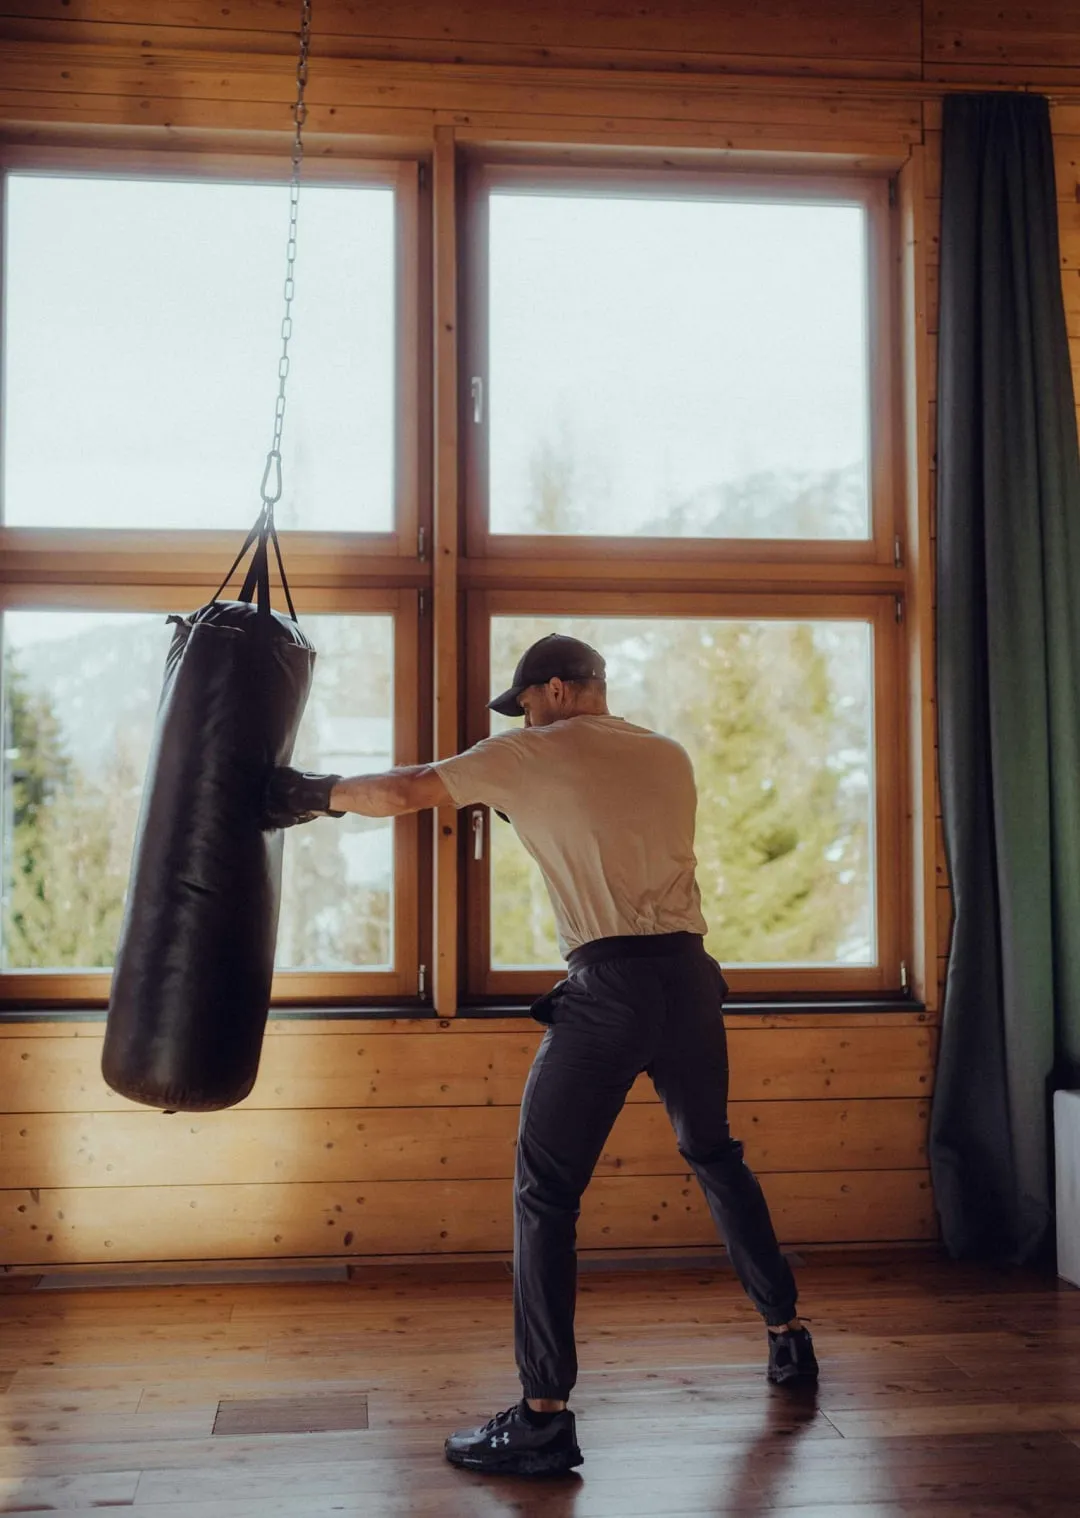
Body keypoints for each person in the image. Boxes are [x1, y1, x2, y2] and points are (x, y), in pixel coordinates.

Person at [263, 632, 818, 1479]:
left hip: (609, 992)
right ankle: (787, 1338)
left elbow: (409, 789)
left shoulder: (528, 751)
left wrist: (305, 793)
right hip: (692, 983)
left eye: (525, 701)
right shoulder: (666, 754)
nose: (522, 715)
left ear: (555, 689)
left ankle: (543, 1416)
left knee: (545, 1191)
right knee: (713, 1152)